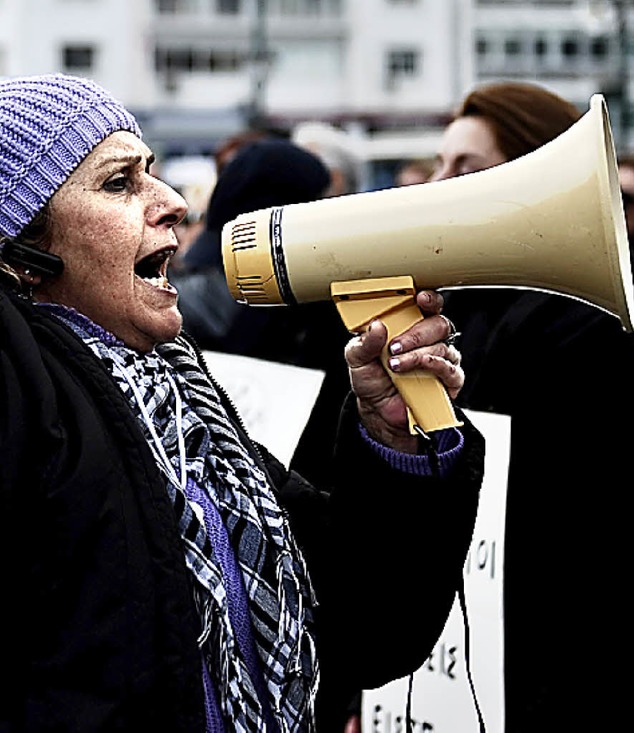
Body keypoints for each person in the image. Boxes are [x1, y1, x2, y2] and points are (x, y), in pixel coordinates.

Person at [0, 73, 484, 732]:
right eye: (119, 183)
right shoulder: (22, 381)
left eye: (153, 173)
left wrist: (392, 441)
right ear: (21, 252)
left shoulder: (182, 404)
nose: (172, 202)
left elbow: (368, 625)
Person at [428, 81, 634, 731]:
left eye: (465, 167)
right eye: (439, 165)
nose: (438, 185)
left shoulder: (585, 321)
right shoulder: (474, 308)